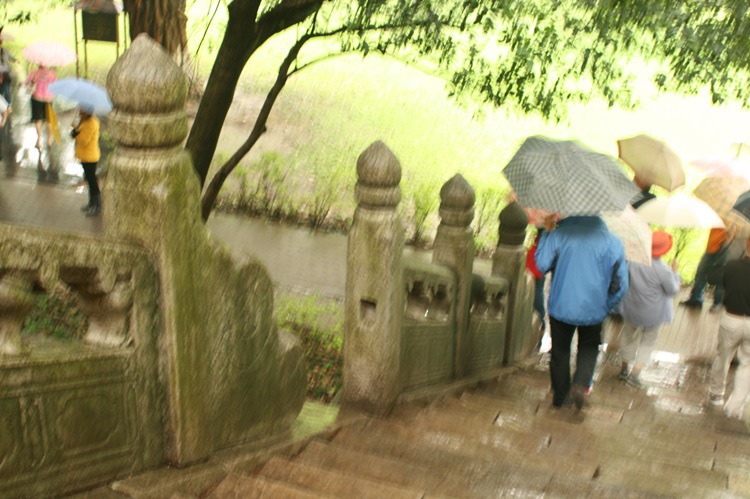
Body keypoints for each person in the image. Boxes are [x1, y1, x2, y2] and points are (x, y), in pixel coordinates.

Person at [535, 214, 629, 409]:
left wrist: (546, 233)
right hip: (595, 308)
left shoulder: (559, 235)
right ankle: (580, 384)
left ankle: (561, 397)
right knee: (588, 347)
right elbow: (621, 284)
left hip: (561, 305)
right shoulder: (613, 242)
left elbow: (542, 265)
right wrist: (607, 304)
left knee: (560, 351)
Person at [618, 231, 680, 388]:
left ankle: (624, 369)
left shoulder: (633, 262)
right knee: (648, 342)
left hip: (632, 308)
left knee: (628, 336)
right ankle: (634, 374)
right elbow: (672, 291)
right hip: (654, 313)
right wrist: (675, 273)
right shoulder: (664, 270)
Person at [707, 236, 750, 419]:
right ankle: (735, 406)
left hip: (731, 318)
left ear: (747, 244)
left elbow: (715, 278)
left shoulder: (732, 266)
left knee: (723, 357)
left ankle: (716, 394)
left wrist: (727, 247)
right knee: (747, 365)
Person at [681, 228, 730, 312]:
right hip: (711, 246)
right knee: (701, 271)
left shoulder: (735, 217)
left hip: (725, 246)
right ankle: (696, 299)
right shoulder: (722, 215)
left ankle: (717, 303)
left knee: (720, 275)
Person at [72, 106, 101, 216]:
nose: (79, 109)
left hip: (90, 157)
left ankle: (97, 206)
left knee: (92, 181)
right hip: (86, 156)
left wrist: (76, 130)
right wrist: (75, 131)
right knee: (89, 179)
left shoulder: (91, 123)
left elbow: (84, 141)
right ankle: (91, 203)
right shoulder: (86, 120)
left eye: (81, 108)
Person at [24, 63, 56, 149]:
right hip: (48, 98)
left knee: (37, 119)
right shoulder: (52, 73)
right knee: (49, 119)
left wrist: (33, 81)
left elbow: (26, 84)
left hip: (37, 98)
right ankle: (49, 139)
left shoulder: (34, 73)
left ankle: (38, 140)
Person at [525, 227, 546, 331]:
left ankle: (540, 319)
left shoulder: (547, 229)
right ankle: (540, 319)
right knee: (538, 289)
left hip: (537, 260)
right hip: (539, 260)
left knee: (537, 289)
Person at [0, 34, 16, 126]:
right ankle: (4, 109)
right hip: (2, 74)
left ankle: (7, 106)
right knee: (3, 91)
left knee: (6, 90)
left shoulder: (4, 50)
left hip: (5, 74)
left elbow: (10, 57)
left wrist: (15, 60)